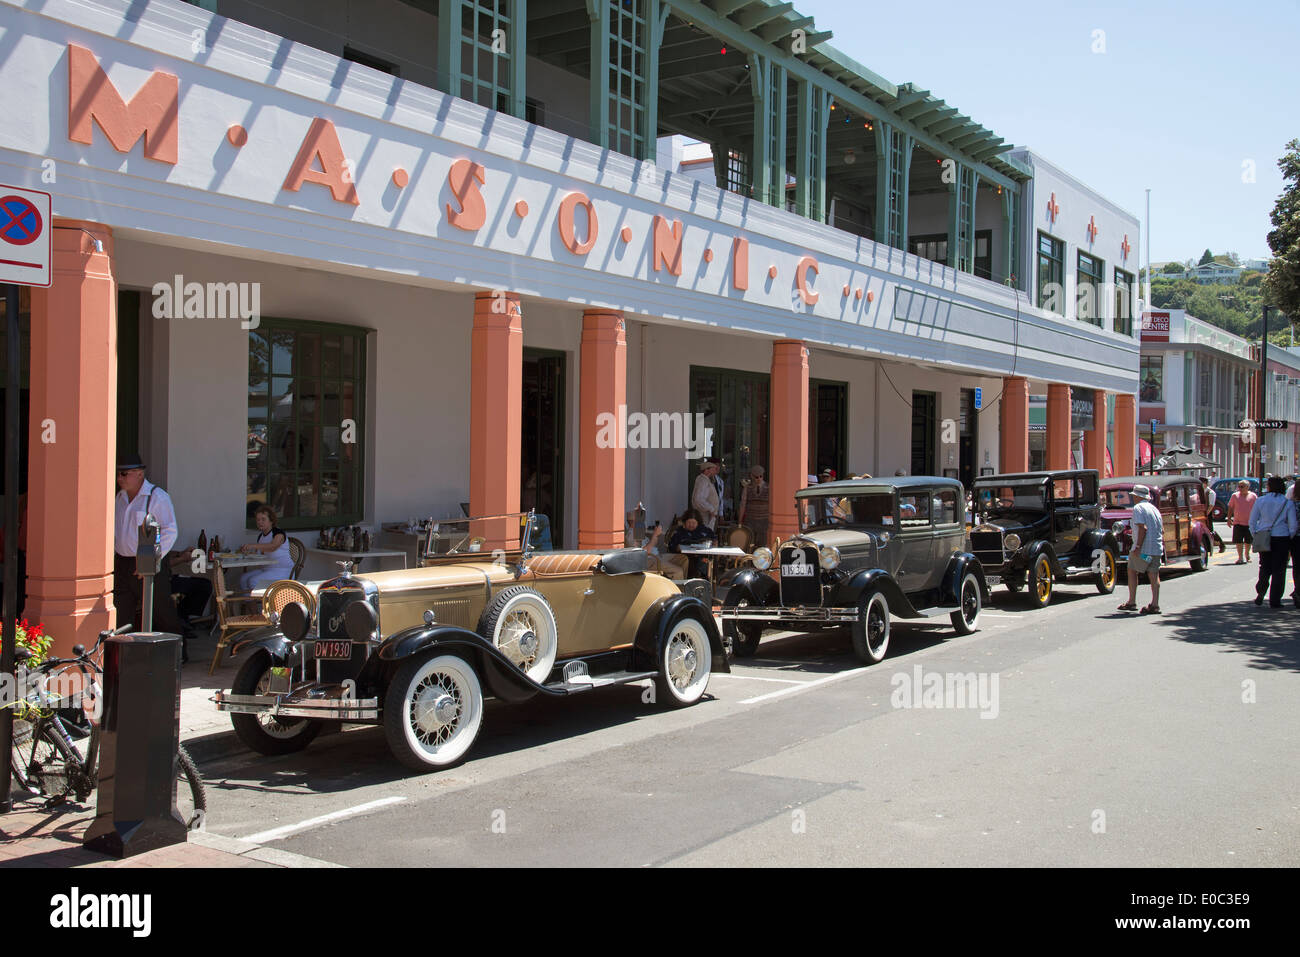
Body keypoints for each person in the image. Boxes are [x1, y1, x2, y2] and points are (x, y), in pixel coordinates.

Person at [113, 453, 193, 661]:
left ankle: (178, 655)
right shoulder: (119, 498)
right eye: (118, 474)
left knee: (161, 611)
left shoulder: (157, 497)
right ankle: (124, 657)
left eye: (124, 474)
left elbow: (170, 531)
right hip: (122, 561)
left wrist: (149, 560)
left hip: (149, 561)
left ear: (139, 474)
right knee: (122, 611)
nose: (119, 478)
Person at [1249, 475, 1296, 609]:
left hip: (1264, 536)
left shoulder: (1260, 500)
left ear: (1269, 486)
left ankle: (1261, 589)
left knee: (1264, 566)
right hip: (1281, 537)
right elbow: (1292, 525)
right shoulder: (1288, 503)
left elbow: (1252, 521)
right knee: (1279, 569)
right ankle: (1275, 599)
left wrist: (1256, 534)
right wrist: (1289, 536)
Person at [1117, 484, 1163, 615]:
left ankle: (1132, 601)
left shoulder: (1138, 508)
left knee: (1132, 570)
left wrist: (1137, 546)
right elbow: (1161, 529)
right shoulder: (1154, 509)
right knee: (1154, 574)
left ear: (1137, 496)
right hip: (1156, 548)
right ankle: (1155, 603)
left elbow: (1143, 528)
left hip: (1143, 549)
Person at [239, 505, 296, 589]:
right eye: (258, 520)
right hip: (267, 569)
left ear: (271, 521)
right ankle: (249, 601)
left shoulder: (278, 533)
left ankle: (263, 601)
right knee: (243, 578)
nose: (260, 522)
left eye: (263, 519)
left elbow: (273, 547)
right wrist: (248, 552)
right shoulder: (261, 536)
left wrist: (253, 545)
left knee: (253, 580)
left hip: (282, 570)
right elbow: (261, 553)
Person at [666, 509, 714, 579]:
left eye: (693, 523)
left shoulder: (704, 530)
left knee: (705, 562)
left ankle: (703, 580)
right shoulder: (679, 532)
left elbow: (714, 539)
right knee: (689, 562)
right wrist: (677, 547)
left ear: (698, 523)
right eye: (689, 522)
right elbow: (671, 546)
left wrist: (713, 543)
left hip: (701, 557)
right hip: (683, 558)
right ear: (684, 522)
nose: (691, 525)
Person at [738, 464, 770, 549]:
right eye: (756, 477)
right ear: (752, 476)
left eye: (761, 476)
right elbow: (742, 505)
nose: (759, 479)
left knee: (762, 547)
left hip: (764, 522)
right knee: (749, 546)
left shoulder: (769, 487)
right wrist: (740, 521)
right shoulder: (747, 488)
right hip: (750, 521)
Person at [1227, 480, 1257, 564]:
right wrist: (1229, 519)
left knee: (1248, 541)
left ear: (1247, 487)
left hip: (1249, 523)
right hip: (1238, 522)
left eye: (1242, 486)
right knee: (1238, 541)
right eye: (1239, 486)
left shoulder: (1253, 496)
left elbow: (1257, 508)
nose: (1239, 488)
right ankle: (1240, 557)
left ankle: (1247, 554)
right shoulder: (1235, 496)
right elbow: (1230, 507)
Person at [691, 458, 723, 530]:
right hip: (704, 517)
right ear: (707, 470)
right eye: (713, 468)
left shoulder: (706, 480)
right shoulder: (702, 480)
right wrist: (711, 509)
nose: (716, 470)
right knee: (705, 537)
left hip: (709, 517)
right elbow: (698, 499)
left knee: (708, 537)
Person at [1199, 476, 1223, 553]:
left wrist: (1206, 514)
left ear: (1205, 483)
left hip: (1207, 514)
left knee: (1209, 530)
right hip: (1201, 513)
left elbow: (1211, 505)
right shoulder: (1200, 492)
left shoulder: (1211, 493)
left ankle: (1220, 543)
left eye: (1201, 483)